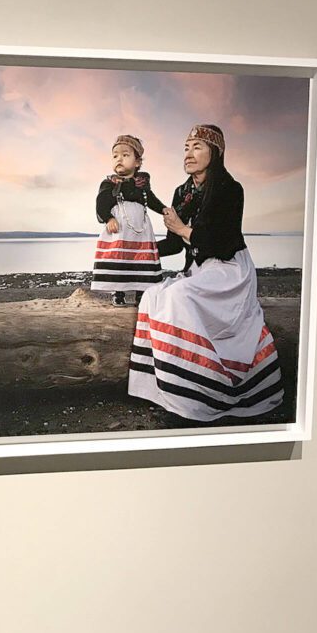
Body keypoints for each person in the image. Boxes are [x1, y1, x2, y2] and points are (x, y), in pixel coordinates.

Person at [128, 124, 284, 420]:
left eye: (197, 147)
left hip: (229, 270)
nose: (189, 153)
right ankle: (167, 387)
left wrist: (183, 228)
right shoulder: (182, 192)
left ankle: (201, 393)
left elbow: (221, 243)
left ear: (216, 152)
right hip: (200, 269)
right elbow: (175, 244)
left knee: (177, 295)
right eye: (186, 147)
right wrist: (146, 251)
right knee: (152, 295)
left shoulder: (230, 189)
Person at [90, 135, 168, 306]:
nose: (119, 159)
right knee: (120, 257)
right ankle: (118, 292)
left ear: (137, 162)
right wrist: (108, 218)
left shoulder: (142, 183)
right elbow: (101, 202)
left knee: (141, 258)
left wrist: (163, 209)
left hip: (140, 228)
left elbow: (151, 199)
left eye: (125, 155)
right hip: (119, 228)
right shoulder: (109, 183)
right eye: (115, 155)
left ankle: (142, 292)